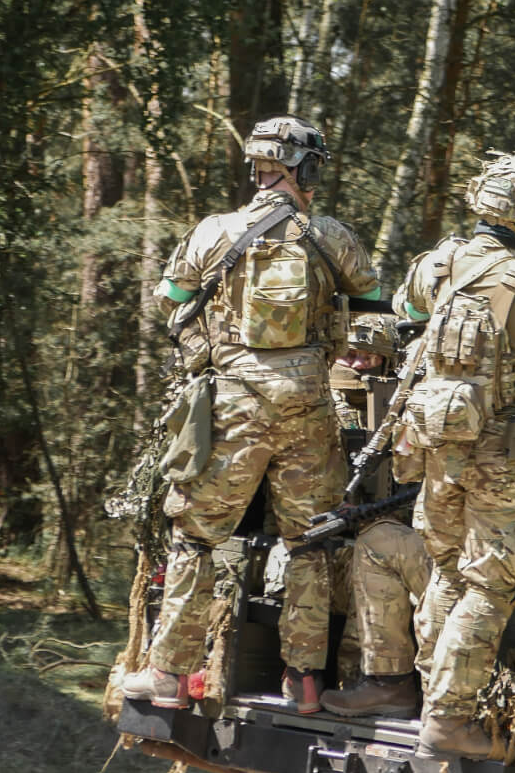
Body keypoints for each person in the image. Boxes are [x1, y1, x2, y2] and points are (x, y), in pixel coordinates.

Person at [119, 114, 380, 712]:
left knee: (196, 539)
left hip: (232, 404)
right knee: (311, 545)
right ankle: (304, 682)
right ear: (306, 169)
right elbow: (375, 316)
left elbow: (173, 300)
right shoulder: (332, 236)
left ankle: (169, 676)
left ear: (258, 168)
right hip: (310, 407)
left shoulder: (213, 231)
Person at [379, 151, 515, 759]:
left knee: (448, 570)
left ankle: (432, 697)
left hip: (436, 453)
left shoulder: (439, 263)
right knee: (495, 581)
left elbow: (407, 312)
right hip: (504, 458)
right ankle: (449, 717)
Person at [321, 314, 432, 717]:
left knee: (376, 547)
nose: (354, 366)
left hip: (389, 544)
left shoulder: (404, 415)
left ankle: (369, 684)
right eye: (347, 356)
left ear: (387, 364)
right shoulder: (316, 410)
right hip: (330, 543)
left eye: (366, 358)